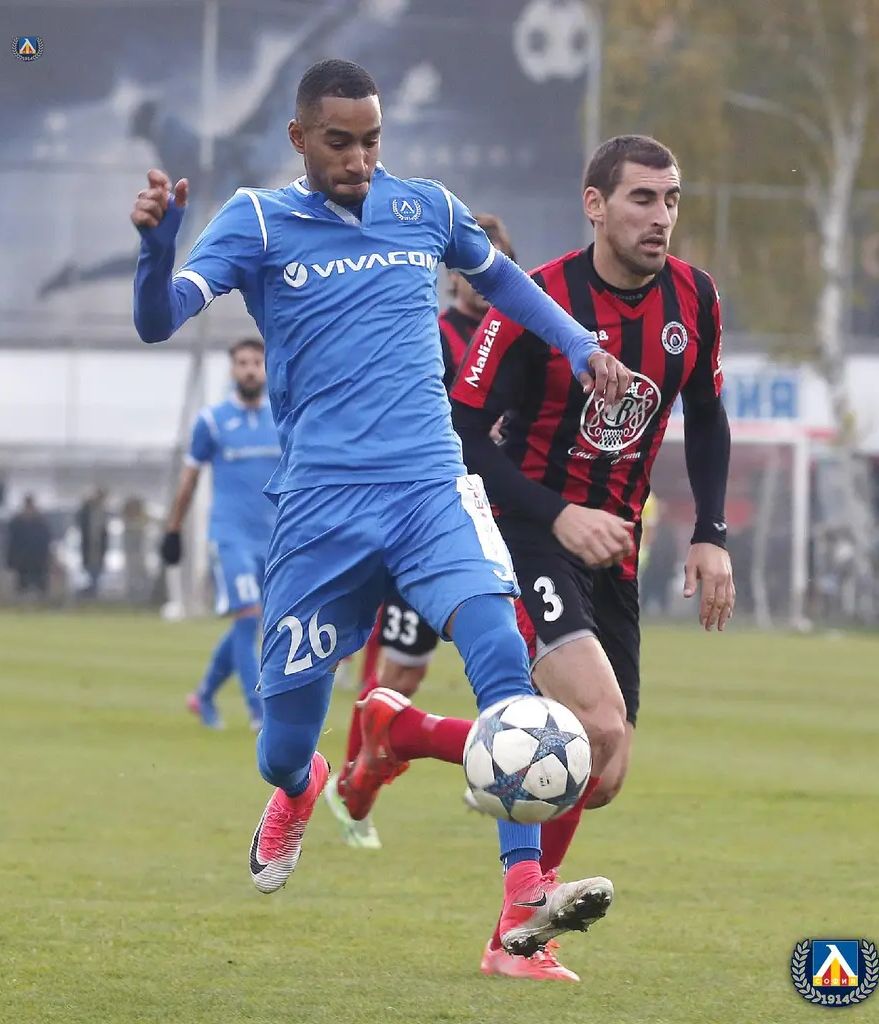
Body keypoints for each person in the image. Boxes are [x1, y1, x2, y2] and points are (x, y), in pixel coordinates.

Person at [131, 58, 635, 960]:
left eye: (370, 141)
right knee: (281, 744)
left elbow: (505, 282)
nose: (358, 160)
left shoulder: (425, 206)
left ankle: (523, 893)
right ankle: (301, 787)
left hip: (430, 490)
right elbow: (157, 318)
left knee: (502, 658)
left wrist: (577, 344)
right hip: (320, 511)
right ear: (299, 138)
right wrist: (154, 251)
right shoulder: (255, 220)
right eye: (338, 142)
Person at [343, 135, 736, 981]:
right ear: (594, 205)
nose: (660, 216)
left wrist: (710, 532)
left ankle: (403, 731)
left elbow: (706, 415)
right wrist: (558, 514)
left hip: (610, 548)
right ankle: (521, 924)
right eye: (641, 198)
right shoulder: (540, 301)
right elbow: (461, 432)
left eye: (670, 199)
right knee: (592, 725)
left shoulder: (694, 298)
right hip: (526, 531)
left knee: (603, 769)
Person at [324, 213, 517, 850]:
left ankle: (509, 767)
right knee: (399, 675)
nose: (480, 279)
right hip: (432, 523)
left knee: (515, 659)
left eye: (494, 265)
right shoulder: (430, 335)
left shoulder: (519, 336)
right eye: (470, 266)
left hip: (500, 527)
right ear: (452, 273)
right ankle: (354, 783)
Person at [160, 338, 280, 732]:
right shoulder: (212, 421)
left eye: (256, 362)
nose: (250, 369)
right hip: (230, 537)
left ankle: (204, 695)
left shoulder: (283, 417)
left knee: (253, 623)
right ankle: (258, 712)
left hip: (274, 538)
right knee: (248, 619)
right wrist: (174, 529)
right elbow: (190, 479)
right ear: (232, 370)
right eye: (242, 362)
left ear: (266, 367)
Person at [7, 494, 52, 599]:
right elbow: (12, 542)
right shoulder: (17, 522)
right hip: (23, 560)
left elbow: (46, 541)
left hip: (38, 559)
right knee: (22, 586)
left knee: (40, 585)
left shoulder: (41, 522)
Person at [77, 488, 109, 598]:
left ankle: (93, 590)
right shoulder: (88, 511)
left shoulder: (102, 512)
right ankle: (91, 590)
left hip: (98, 547)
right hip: (90, 546)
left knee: (96, 569)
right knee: (91, 568)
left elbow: (103, 532)